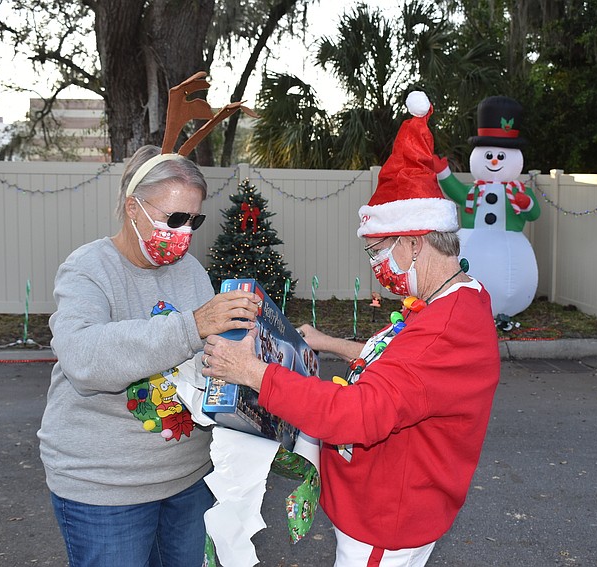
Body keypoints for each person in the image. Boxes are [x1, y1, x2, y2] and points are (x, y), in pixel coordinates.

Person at [200, 92, 501, 566]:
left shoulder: (445, 324)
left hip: (386, 520)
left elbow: (358, 414)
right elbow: (405, 369)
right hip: (391, 507)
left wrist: (254, 372)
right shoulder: (454, 300)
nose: (377, 266)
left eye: (378, 252)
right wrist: (327, 343)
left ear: (414, 242)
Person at [38, 145, 261, 567]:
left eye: (194, 220)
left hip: (188, 478)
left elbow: (207, 361)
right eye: (174, 218)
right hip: (106, 488)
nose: (184, 232)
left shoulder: (190, 270)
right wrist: (192, 326)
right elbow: (83, 359)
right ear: (132, 207)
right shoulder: (88, 268)